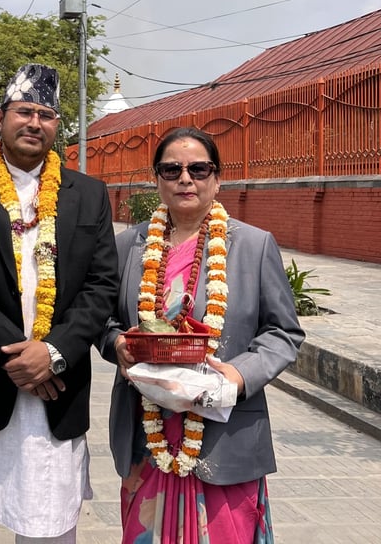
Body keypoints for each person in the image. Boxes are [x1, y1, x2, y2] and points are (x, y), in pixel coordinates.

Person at [0, 63, 120, 543]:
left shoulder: (89, 194)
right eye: (24, 111)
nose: (35, 122)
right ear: (0, 117)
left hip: (55, 392)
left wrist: (51, 353)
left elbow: (102, 285)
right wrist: (18, 354)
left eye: (47, 115)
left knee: (48, 530)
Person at [102, 126, 305, 543]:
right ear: (156, 179)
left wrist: (240, 375)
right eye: (172, 169)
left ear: (217, 178)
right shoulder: (130, 246)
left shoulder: (253, 245)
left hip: (223, 428)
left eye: (198, 168)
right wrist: (117, 343)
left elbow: (283, 331)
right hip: (148, 431)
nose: (185, 178)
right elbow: (102, 321)